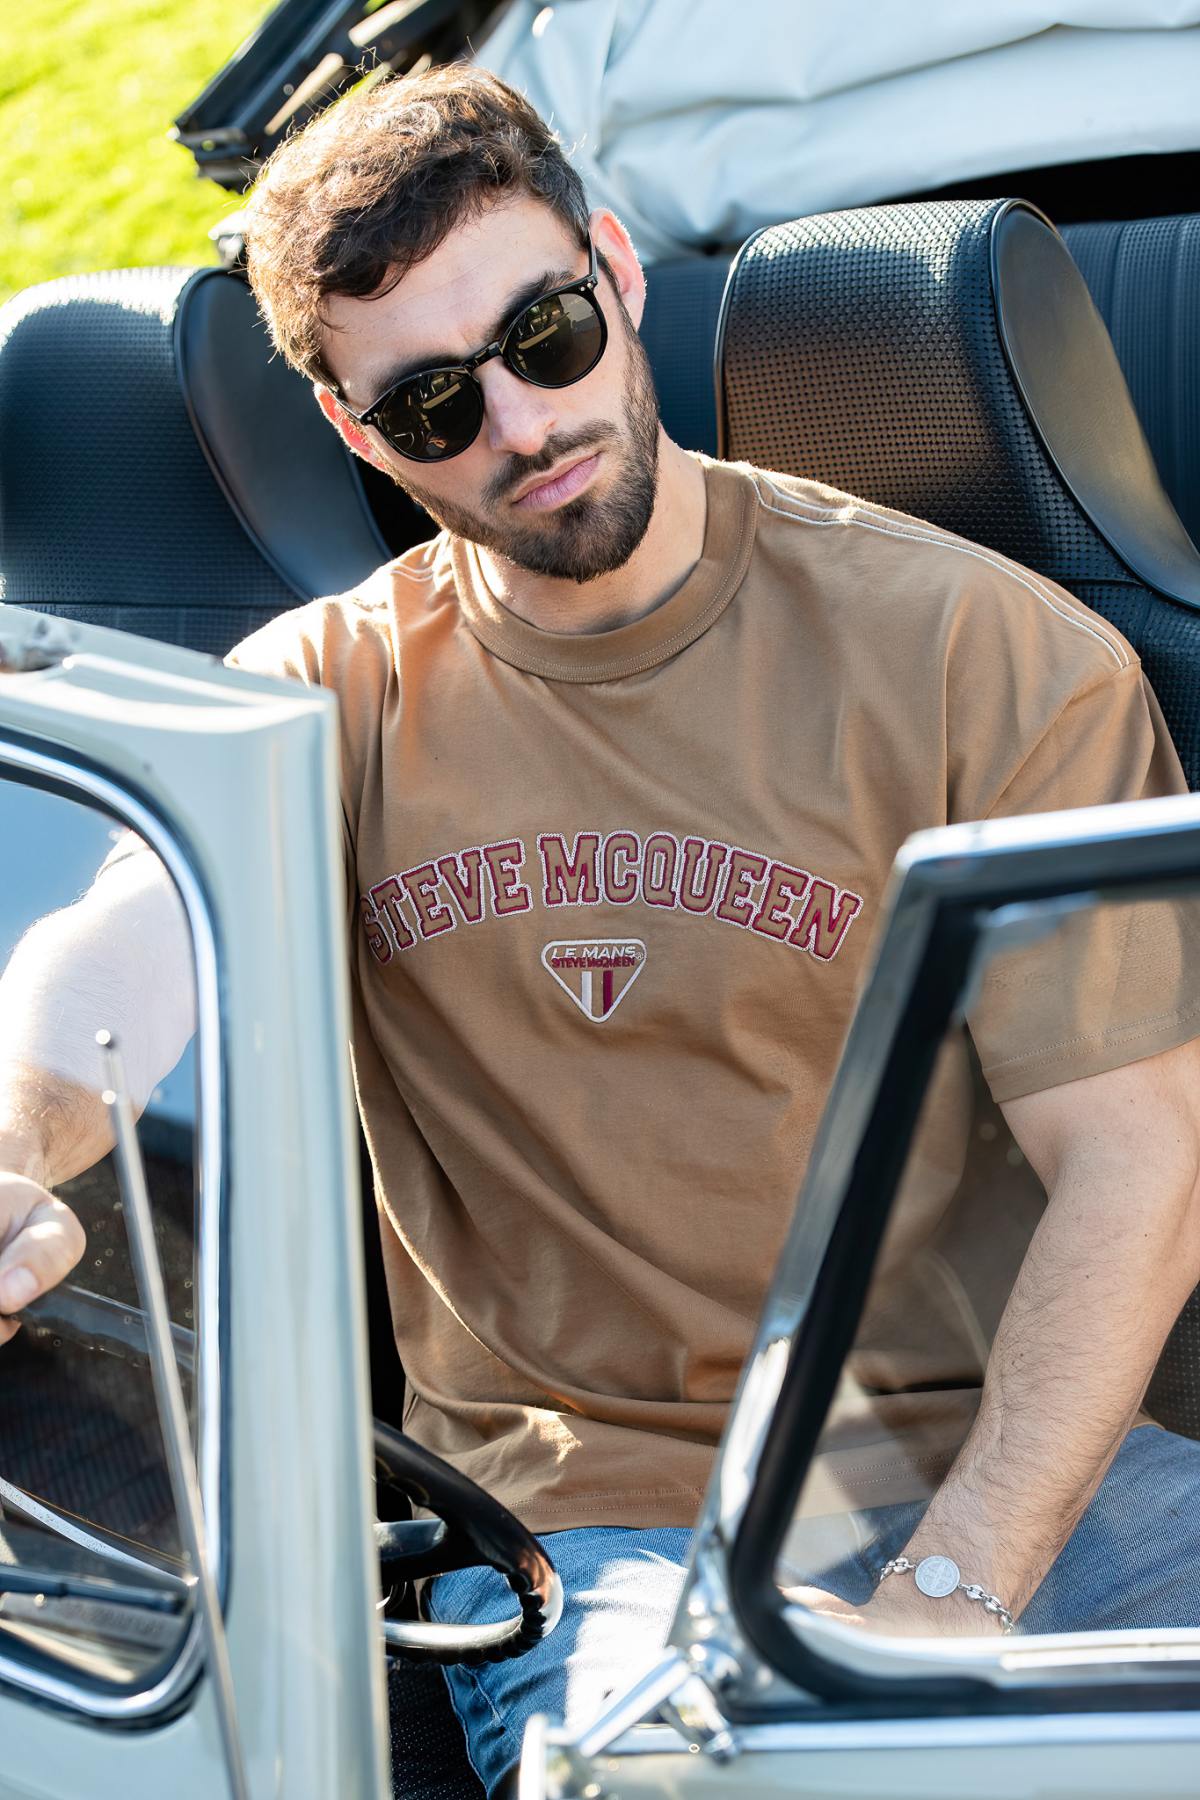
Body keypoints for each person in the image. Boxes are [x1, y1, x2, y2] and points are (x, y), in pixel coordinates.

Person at [2, 62, 1200, 1794]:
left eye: (547, 334)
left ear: (620, 276)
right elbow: (120, 957)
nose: (519, 425)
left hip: (1025, 1471)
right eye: (428, 408)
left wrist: (955, 1589)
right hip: (610, 1540)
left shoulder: (982, 654)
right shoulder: (332, 695)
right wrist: (20, 1137)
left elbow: (1140, 1167)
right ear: (353, 433)